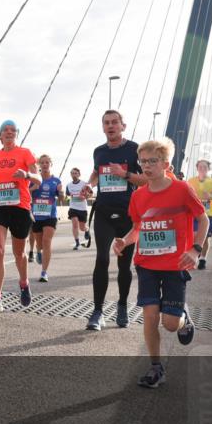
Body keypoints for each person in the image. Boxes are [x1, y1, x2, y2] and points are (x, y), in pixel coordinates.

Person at [112, 138, 206, 388]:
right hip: (147, 266)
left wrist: (196, 250)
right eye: (142, 161)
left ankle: (184, 316)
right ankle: (156, 367)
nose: (146, 166)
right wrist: (124, 241)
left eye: (152, 161)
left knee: (171, 324)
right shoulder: (138, 196)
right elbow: (137, 229)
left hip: (176, 266)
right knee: (150, 315)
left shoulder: (182, 190)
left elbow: (203, 220)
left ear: (166, 163)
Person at [82, 110, 146, 331]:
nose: (111, 126)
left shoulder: (134, 149)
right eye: (107, 123)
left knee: (124, 265)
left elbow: (146, 180)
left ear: (123, 126)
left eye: (114, 123)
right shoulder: (98, 151)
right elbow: (96, 173)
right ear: (103, 128)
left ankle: (121, 306)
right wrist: (90, 185)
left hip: (128, 215)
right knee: (101, 259)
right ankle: (97, 311)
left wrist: (125, 174)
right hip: (103, 212)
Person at [0, 120, 40, 312]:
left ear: (17, 134)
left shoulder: (25, 153)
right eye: (5, 130)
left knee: (19, 253)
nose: (9, 133)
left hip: (20, 207)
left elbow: (38, 177)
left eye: (12, 130)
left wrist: (26, 174)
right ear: (0, 135)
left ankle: (24, 282)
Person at [30, 155, 63, 282]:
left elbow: (61, 199)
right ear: (39, 165)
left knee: (46, 241)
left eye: (47, 162)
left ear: (51, 164)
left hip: (50, 215)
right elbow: (25, 193)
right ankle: (38, 251)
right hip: (36, 215)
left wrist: (61, 192)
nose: (45, 165)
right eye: (42, 163)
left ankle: (44, 272)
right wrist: (33, 188)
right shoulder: (34, 180)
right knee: (40, 243)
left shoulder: (56, 181)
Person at [186, 160, 212, 269]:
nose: (202, 169)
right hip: (193, 213)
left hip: (207, 213)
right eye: (200, 167)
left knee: (205, 238)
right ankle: (194, 256)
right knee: (194, 235)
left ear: (208, 169)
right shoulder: (190, 181)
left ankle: (202, 259)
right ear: (197, 168)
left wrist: (209, 196)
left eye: (205, 167)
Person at [65, 167, 91, 250]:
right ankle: (77, 243)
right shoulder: (68, 185)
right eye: (72, 173)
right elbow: (68, 195)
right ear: (71, 175)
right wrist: (71, 196)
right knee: (75, 224)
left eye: (76, 173)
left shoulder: (84, 184)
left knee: (82, 228)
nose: (74, 175)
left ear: (79, 174)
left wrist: (86, 196)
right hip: (73, 207)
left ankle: (87, 230)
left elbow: (90, 194)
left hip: (82, 208)